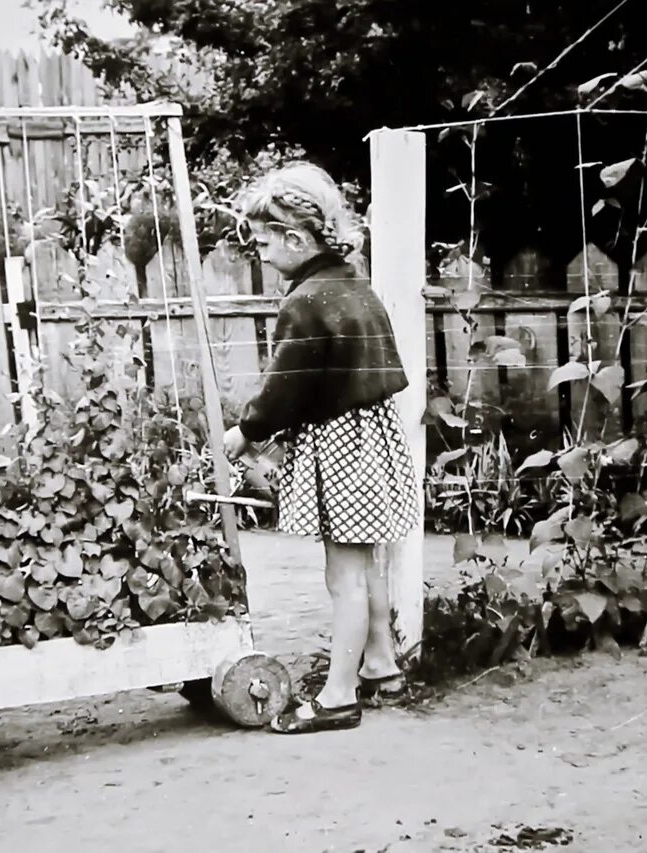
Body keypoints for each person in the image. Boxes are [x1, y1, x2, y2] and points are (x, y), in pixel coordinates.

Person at [223, 162, 419, 734]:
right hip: (373, 439)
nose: (257, 252)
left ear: (295, 237)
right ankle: (382, 664)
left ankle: (338, 695)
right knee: (367, 563)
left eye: (262, 242)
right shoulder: (354, 284)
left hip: (339, 447)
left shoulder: (305, 301)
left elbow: (286, 387)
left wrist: (248, 431)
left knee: (344, 577)